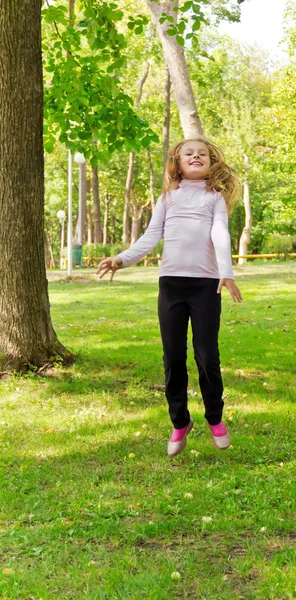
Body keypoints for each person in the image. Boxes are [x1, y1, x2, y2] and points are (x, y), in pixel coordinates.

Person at [97, 137, 242, 457]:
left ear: (211, 163)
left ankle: (215, 418)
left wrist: (226, 272)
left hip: (206, 287)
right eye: (188, 153)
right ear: (177, 163)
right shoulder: (168, 198)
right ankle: (180, 421)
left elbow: (220, 233)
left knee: (207, 355)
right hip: (172, 286)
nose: (195, 156)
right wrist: (120, 259)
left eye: (202, 153)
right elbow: (150, 238)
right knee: (173, 357)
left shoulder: (214, 198)